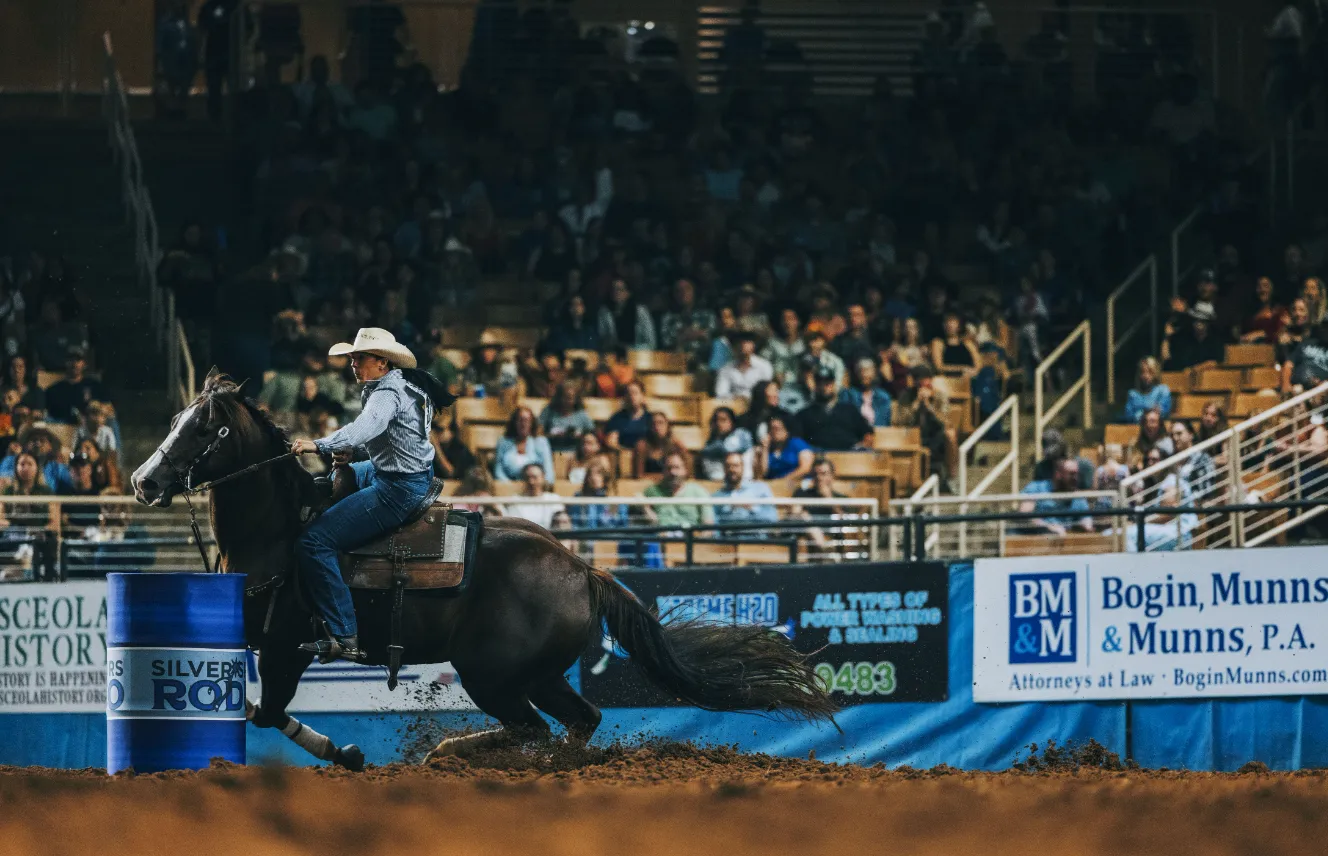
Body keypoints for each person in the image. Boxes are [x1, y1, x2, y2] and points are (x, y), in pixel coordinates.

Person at [288, 327, 440, 664]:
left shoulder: (386, 393)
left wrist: (322, 444)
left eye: (360, 359)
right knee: (331, 481)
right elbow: (388, 438)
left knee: (313, 543)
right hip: (397, 472)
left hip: (398, 488)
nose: (353, 364)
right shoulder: (395, 385)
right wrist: (348, 456)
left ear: (382, 362)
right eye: (352, 359)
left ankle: (345, 634)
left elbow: (364, 429)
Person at [796, 367, 873, 451]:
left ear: (834, 385)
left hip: (848, 457)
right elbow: (796, 441)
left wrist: (860, 446)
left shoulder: (850, 410)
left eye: (827, 383)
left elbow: (867, 434)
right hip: (817, 458)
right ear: (815, 386)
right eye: (820, 383)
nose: (823, 387)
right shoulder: (804, 414)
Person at [1019, 458, 1094, 535]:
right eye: (1071, 474)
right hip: (1037, 539)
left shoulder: (1077, 497)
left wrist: (1086, 525)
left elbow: (1086, 518)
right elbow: (1025, 514)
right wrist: (1048, 527)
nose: (1075, 478)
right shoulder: (1036, 488)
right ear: (1058, 475)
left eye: (1077, 474)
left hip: (1066, 540)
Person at [642, 449, 714, 529]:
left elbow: (708, 526)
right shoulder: (652, 491)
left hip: (690, 538)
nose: (672, 472)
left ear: (685, 469)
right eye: (668, 468)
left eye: (677, 468)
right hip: (662, 538)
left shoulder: (698, 492)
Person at [658, 278, 716, 365]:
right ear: (674, 295)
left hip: (706, 362)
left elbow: (712, 337)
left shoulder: (708, 315)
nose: (683, 293)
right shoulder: (668, 318)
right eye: (678, 290)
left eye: (687, 289)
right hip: (677, 363)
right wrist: (697, 334)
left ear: (694, 292)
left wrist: (684, 335)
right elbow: (667, 343)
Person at [713, 451, 778, 527]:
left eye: (736, 465)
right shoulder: (717, 496)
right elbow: (714, 523)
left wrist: (752, 508)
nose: (732, 469)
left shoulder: (760, 489)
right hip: (728, 537)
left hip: (755, 536)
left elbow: (772, 518)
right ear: (724, 469)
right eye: (728, 466)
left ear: (743, 467)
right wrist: (728, 508)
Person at [45, 350, 110, 426]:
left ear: (84, 363)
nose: (74, 364)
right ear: (65, 363)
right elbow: (46, 412)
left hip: (89, 425)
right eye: (71, 360)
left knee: (111, 420)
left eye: (78, 360)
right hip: (63, 426)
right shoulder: (54, 389)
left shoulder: (94, 385)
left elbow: (109, 407)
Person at [492, 405, 555, 482]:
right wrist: (509, 486)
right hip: (509, 486)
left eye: (527, 420)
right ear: (514, 422)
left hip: (535, 487)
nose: (523, 424)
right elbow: (498, 471)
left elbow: (548, 473)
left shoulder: (541, 442)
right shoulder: (503, 442)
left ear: (532, 423)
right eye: (520, 420)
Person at [597, 278, 657, 351]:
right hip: (613, 355)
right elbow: (602, 340)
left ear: (628, 293)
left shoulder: (641, 312)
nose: (616, 292)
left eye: (620, 289)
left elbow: (651, 343)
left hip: (638, 355)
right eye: (613, 289)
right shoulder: (604, 312)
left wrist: (629, 349)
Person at [699, 406, 754, 482]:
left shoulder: (742, 435)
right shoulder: (711, 443)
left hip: (744, 480)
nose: (719, 424)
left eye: (723, 420)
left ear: (732, 422)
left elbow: (728, 449)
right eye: (716, 421)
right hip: (718, 482)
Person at [713, 331, 773, 400]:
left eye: (746, 341)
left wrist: (747, 398)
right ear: (733, 347)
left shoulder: (764, 366)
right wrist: (735, 398)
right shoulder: (725, 369)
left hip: (757, 405)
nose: (742, 345)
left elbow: (767, 391)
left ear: (753, 345)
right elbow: (720, 393)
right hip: (733, 405)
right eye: (738, 342)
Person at [539, 381, 596, 451]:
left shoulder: (581, 414)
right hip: (552, 450)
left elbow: (591, 433)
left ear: (576, 399)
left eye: (570, 398)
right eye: (564, 397)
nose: (566, 401)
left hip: (576, 452)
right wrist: (551, 435)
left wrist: (579, 436)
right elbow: (539, 431)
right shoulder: (549, 411)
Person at [503, 463, 563, 529]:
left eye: (535, 477)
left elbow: (560, 524)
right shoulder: (515, 500)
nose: (531, 481)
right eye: (527, 478)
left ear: (543, 477)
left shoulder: (553, 498)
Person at [568, 461, 626, 530]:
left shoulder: (612, 499)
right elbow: (574, 522)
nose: (594, 478)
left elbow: (612, 523)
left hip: (607, 536)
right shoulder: (579, 496)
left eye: (598, 474)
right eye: (590, 474)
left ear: (605, 477)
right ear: (587, 479)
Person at [756, 414, 814, 481]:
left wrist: (784, 480)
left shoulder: (797, 443)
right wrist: (765, 448)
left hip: (796, 483)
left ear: (786, 430)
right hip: (773, 485)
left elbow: (805, 468)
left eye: (777, 429)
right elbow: (762, 473)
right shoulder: (765, 449)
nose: (774, 432)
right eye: (771, 428)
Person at [1170, 419, 1216, 503]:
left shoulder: (1202, 459)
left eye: (1179, 434)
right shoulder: (1170, 460)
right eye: (1172, 435)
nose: (1174, 438)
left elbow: (1205, 492)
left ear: (1190, 435)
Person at [839, 358, 892, 427]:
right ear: (857, 374)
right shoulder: (848, 395)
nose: (865, 375)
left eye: (868, 371)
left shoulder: (883, 397)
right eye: (862, 371)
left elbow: (884, 422)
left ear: (874, 374)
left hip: (877, 434)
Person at [762, 307, 807, 386]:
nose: (787, 323)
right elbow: (762, 363)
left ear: (798, 322)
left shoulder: (805, 343)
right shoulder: (772, 343)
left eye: (791, 319)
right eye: (784, 319)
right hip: (777, 386)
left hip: (800, 385)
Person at [604, 380, 651, 450]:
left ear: (642, 396)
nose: (631, 396)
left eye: (635, 393)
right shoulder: (616, 418)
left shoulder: (650, 419)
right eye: (628, 393)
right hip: (623, 455)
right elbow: (611, 442)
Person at [1124, 356, 1172, 423]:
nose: (1146, 375)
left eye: (1150, 372)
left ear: (1155, 373)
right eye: (1143, 372)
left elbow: (1163, 412)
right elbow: (1129, 416)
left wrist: (1141, 413)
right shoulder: (1133, 394)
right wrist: (1149, 411)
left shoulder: (1163, 390)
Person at [633, 411, 681, 478]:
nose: (657, 427)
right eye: (653, 424)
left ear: (667, 425)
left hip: (672, 484)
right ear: (649, 427)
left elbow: (687, 473)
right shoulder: (642, 446)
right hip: (648, 485)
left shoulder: (676, 445)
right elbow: (638, 475)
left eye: (661, 423)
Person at [429, 415, 476, 480]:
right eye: (433, 428)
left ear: (452, 432)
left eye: (439, 429)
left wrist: (436, 447)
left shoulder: (461, 450)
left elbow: (451, 474)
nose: (433, 434)